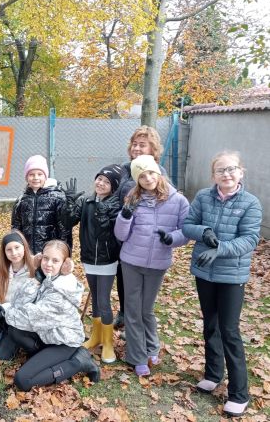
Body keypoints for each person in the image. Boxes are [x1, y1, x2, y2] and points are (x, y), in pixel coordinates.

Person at [182, 151, 262, 418]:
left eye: (231, 169)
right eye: (220, 170)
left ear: (241, 171)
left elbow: (249, 239)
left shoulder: (250, 203)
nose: (226, 174)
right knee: (210, 324)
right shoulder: (203, 197)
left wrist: (221, 249)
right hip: (204, 272)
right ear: (213, 175)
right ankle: (213, 374)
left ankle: (239, 394)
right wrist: (203, 232)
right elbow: (187, 225)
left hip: (231, 276)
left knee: (229, 331)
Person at [0, 240, 100, 391]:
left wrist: (3, 313)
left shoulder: (62, 289)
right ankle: (43, 356)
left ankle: (79, 362)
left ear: (65, 264)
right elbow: (18, 302)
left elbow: (30, 317)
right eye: (45, 258)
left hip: (64, 342)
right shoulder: (45, 277)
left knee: (23, 380)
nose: (48, 264)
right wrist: (36, 279)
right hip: (47, 335)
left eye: (55, 260)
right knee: (14, 331)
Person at [114, 155, 189, 377]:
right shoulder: (132, 198)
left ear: (158, 172)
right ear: (137, 180)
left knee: (146, 309)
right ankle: (137, 356)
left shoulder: (178, 200)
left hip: (157, 263)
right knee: (133, 310)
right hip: (131, 261)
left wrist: (172, 238)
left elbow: (186, 230)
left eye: (150, 173)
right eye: (142, 176)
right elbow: (121, 235)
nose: (147, 178)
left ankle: (152, 346)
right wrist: (125, 215)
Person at [60, 165, 122, 363]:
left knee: (103, 300)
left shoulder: (116, 205)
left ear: (113, 187)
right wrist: (69, 203)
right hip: (88, 258)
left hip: (107, 259)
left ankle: (108, 343)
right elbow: (68, 221)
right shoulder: (86, 201)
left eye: (106, 182)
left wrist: (104, 216)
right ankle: (96, 337)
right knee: (95, 297)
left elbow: (111, 234)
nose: (101, 183)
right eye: (99, 179)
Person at [113, 125, 166, 330]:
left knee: (140, 284)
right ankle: (124, 312)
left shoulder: (157, 172)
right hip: (120, 230)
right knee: (122, 275)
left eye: (142, 145)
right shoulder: (124, 170)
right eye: (134, 144)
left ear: (153, 149)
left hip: (142, 238)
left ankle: (137, 321)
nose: (136, 148)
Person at [0, 230, 36, 360]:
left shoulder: (34, 269)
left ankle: (27, 344)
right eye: (9, 250)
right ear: (4, 252)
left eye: (17, 247)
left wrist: (3, 309)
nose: (14, 253)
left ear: (24, 247)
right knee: (2, 356)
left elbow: (28, 301)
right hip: (2, 317)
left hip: (21, 321)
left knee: (4, 355)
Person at [11, 155, 72, 254]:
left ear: (45, 176)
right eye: (31, 174)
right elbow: (16, 227)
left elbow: (64, 229)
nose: (36, 178)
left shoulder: (57, 197)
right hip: (28, 253)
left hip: (50, 253)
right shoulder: (21, 199)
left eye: (40, 174)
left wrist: (65, 253)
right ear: (26, 177)